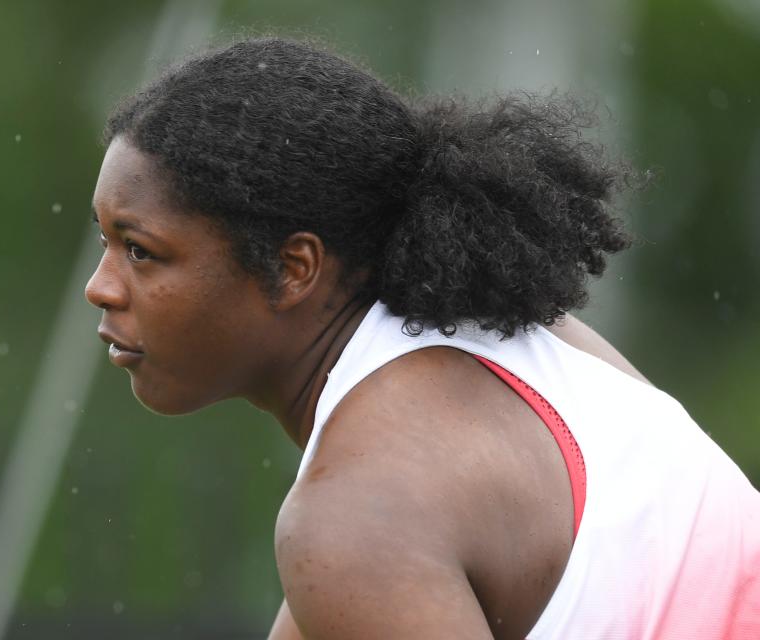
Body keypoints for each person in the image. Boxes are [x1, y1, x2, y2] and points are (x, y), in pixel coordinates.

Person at [85, 37, 760, 639]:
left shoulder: (355, 520)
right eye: (106, 242)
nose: (101, 286)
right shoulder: (531, 334)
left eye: (140, 251)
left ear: (293, 270)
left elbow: (358, 549)